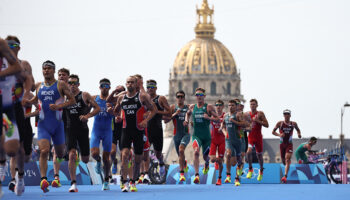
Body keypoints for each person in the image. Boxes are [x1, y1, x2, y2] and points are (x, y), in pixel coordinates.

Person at [23, 60, 75, 193]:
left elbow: (72, 100)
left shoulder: (61, 84)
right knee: (44, 151)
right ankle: (44, 179)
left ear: (53, 70)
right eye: (44, 69)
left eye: (49, 69)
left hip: (58, 125)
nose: (46, 71)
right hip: (43, 124)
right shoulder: (39, 86)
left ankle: (56, 165)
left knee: (60, 153)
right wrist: (28, 102)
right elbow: (36, 100)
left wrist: (59, 106)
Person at [114, 76, 156, 192]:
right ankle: (125, 181)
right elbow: (116, 111)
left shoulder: (142, 97)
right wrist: (117, 117)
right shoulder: (121, 97)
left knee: (138, 159)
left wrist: (146, 121)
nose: (130, 84)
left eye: (132, 82)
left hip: (138, 131)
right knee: (125, 155)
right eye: (128, 82)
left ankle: (133, 180)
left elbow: (154, 110)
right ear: (126, 84)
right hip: (125, 131)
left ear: (136, 84)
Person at [5, 36, 35, 196]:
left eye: (14, 45)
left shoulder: (24, 65)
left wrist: (26, 96)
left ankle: (20, 177)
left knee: (23, 152)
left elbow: (31, 82)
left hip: (21, 111)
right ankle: (10, 177)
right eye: (7, 45)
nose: (10, 47)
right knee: (10, 147)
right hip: (5, 109)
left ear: (19, 48)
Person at [65, 74, 100, 192]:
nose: (72, 85)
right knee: (72, 154)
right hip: (70, 129)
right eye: (70, 83)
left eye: (75, 83)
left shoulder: (84, 95)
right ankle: (73, 183)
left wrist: (87, 116)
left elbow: (97, 108)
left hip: (83, 130)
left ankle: (91, 160)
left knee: (85, 159)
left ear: (78, 84)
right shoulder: (64, 97)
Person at [0, 37, 22, 198]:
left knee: (12, 149)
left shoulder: (1, 44)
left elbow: (16, 66)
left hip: (6, 106)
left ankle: (8, 166)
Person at [184, 88, 219, 184]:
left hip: (207, 137)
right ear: (195, 96)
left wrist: (209, 118)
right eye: (197, 95)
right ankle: (196, 175)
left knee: (205, 157)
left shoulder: (209, 107)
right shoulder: (192, 107)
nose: (199, 97)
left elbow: (218, 119)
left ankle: (207, 163)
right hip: (196, 135)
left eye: (201, 95)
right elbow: (187, 114)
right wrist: (186, 120)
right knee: (196, 152)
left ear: (204, 96)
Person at [90, 78, 115, 190]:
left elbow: (118, 113)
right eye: (103, 85)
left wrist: (115, 114)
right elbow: (85, 108)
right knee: (94, 153)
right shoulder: (94, 98)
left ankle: (106, 181)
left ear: (109, 87)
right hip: (96, 130)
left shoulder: (114, 100)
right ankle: (98, 161)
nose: (104, 88)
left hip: (107, 131)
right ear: (99, 87)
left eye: (107, 86)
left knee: (106, 157)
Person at [146, 79, 171, 176]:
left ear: (156, 88)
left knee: (158, 153)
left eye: (152, 87)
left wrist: (157, 112)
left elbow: (169, 113)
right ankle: (145, 174)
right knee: (145, 152)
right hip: (147, 129)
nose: (150, 89)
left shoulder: (161, 99)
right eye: (148, 87)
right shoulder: (144, 99)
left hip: (157, 128)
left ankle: (161, 163)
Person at [164, 90, 190, 182]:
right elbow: (165, 121)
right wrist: (175, 114)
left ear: (184, 98)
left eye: (182, 96)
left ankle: (182, 173)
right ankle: (184, 163)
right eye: (178, 96)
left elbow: (190, 113)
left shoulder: (188, 108)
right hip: (176, 135)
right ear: (176, 98)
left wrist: (187, 121)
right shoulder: (173, 108)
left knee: (181, 150)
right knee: (180, 154)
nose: (180, 98)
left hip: (186, 134)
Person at [51, 67, 70, 188]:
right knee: (55, 151)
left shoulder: (72, 90)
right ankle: (56, 177)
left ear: (68, 77)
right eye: (59, 74)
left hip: (71, 124)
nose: (61, 76)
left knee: (69, 152)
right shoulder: (53, 89)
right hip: (57, 122)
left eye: (64, 75)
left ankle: (74, 174)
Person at [222, 100, 247, 186]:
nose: (230, 107)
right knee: (228, 154)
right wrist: (225, 133)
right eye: (229, 105)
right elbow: (223, 126)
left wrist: (235, 122)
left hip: (238, 139)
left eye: (232, 105)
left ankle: (237, 178)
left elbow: (244, 124)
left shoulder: (238, 115)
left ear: (236, 106)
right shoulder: (225, 115)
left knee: (237, 160)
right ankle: (228, 175)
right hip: (229, 140)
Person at [272, 109, 301, 183]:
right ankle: (287, 164)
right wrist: (279, 135)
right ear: (283, 115)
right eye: (285, 114)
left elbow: (298, 129)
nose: (286, 115)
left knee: (287, 159)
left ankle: (285, 176)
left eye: (288, 114)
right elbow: (273, 132)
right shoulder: (280, 123)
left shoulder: (294, 123)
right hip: (282, 144)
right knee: (284, 161)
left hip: (289, 144)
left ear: (290, 115)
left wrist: (299, 134)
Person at [246, 99, 269, 181]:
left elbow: (267, 125)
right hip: (251, 137)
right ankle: (250, 169)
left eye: (254, 104)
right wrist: (246, 128)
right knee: (248, 152)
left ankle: (261, 170)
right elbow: (243, 125)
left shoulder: (260, 114)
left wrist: (258, 121)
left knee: (259, 155)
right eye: (251, 104)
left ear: (257, 105)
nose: (252, 105)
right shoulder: (247, 114)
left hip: (258, 137)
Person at [106, 85, 125, 179]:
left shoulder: (124, 100)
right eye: (117, 91)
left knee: (123, 153)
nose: (118, 93)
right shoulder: (112, 101)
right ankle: (114, 162)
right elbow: (107, 100)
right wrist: (113, 91)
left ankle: (123, 170)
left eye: (120, 91)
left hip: (123, 130)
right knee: (112, 152)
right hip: (113, 130)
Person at [209, 100, 225, 185]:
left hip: (222, 140)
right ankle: (217, 161)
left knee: (221, 161)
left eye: (220, 105)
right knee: (212, 159)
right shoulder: (212, 115)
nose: (218, 107)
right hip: (213, 140)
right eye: (217, 105)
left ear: (222, 106)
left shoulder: (225, 115)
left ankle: (219, 178)